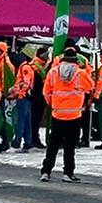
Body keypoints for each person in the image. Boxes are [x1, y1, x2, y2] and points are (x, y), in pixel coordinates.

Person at [40, 47, 92, 182]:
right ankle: (68, 173)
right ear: (75, 59)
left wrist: (53, 104)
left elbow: (46, 92)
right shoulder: (80, 73)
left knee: (53, 145)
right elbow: (90, 86)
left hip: (57, 114)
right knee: (70, 146)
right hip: (74, 114)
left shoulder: (53, 72)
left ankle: (46, 171)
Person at [9, 49, 38, 151]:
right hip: (28, 97)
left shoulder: (24, 67)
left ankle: (17, 141)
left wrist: (20, 94)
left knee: (20, 121)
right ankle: (28, 142)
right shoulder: (29, 67)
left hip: (24, 97)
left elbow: (25, 82)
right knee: (27, 122)